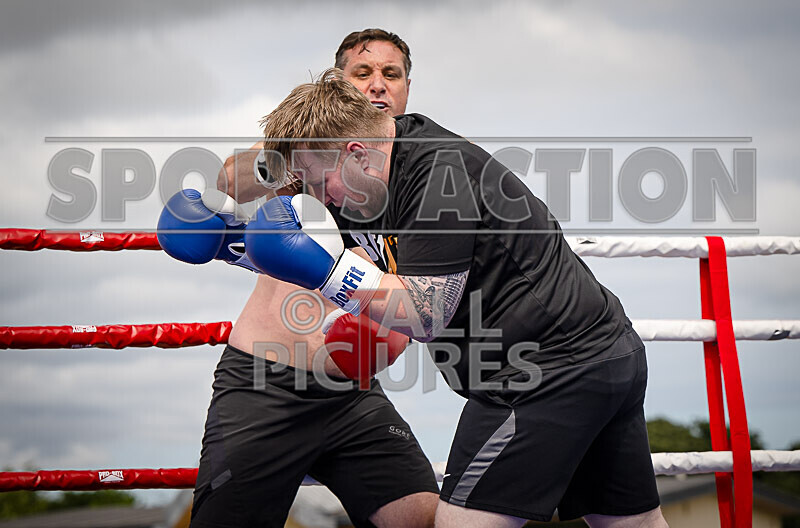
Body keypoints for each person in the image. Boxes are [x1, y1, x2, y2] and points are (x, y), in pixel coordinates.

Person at [245, 69, 670, 527]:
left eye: (317, 181)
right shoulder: (366, 178)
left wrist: (330, 277)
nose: (316, 196)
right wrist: (232, 241)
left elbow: (426, 313)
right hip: (605, 355)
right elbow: (308, 240)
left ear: (355, 154)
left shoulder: (436, 177)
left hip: (545, 372)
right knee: (632, 524)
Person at [176, 30, 439, 528]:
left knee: (422, 518)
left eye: (391, 74)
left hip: (351, 392)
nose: (378, 84)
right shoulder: (304, 152)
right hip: (263, 384)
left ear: (407, 87)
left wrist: (385, 341)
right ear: (339, 81)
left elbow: (420, 299)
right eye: (362, 73)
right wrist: (294, 155)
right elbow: (227, 180)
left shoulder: (419, 176)